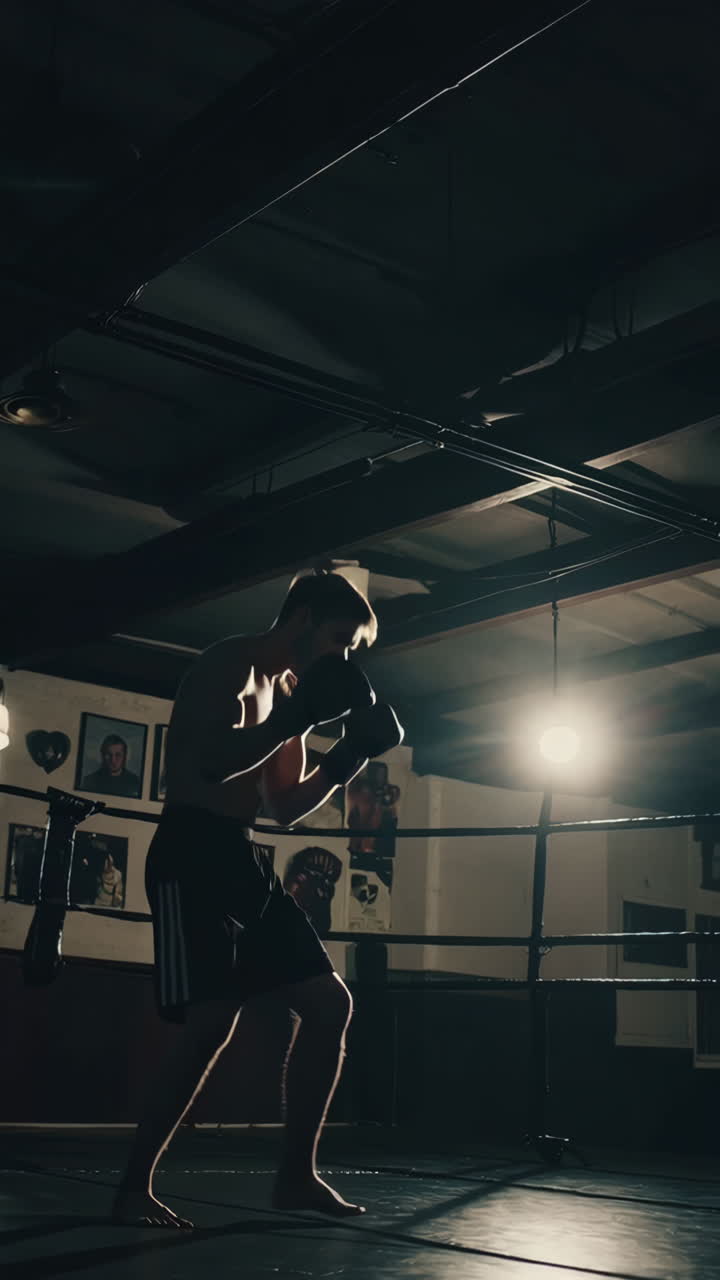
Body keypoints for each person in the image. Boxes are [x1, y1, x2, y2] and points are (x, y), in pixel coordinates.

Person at [112, 570, 403, 1229]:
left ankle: (296, 1178)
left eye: (353, 649)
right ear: (301, 618)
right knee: (210, 1025)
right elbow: (210, 764)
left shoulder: (293, 692)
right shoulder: (230, 664)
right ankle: (133, 1188)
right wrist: (297, 718)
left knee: (330, 1004)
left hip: (242, 854)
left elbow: (285, 808)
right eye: (341, 640)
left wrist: (351, 755)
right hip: (190, 849)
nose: (345, 657)